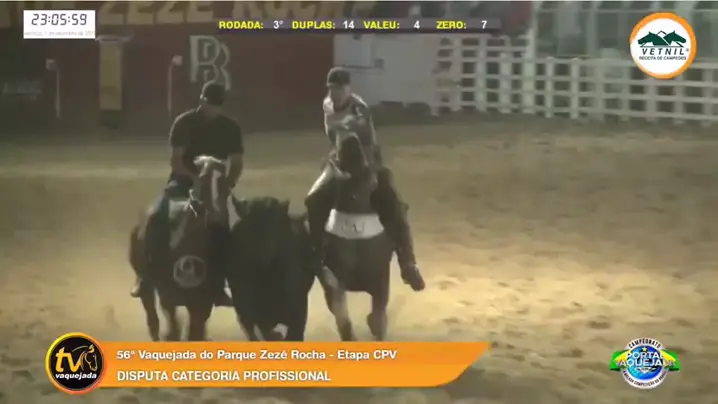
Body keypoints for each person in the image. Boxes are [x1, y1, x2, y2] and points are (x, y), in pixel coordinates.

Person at [305, 67, 425, 291]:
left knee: (395, 204)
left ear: (348, 89)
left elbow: (363, 136)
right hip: (338, 161)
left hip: (367, 161)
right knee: (312, 199)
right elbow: (334, 137)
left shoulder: (359, 109)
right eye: (332, 89)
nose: (335, 93)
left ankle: (408, 263)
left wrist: (361, 168)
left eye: (340, 89)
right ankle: (315, 253)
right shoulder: (327, 105)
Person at [130, 81, 244, 306]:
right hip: (181, 183)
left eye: (217, 106)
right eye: (209, 104)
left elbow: (237, 163)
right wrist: (196, 178)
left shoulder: (230, 128)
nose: (212, 110)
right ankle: (145, 277)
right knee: (157, 217)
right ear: (201, 100)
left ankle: (218, 285)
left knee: (223, 230)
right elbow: (176, 161)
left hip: (214, 186)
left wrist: (227, 184)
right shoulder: (184, 123)